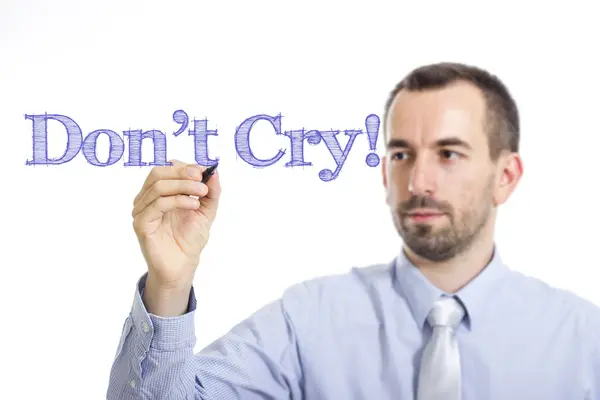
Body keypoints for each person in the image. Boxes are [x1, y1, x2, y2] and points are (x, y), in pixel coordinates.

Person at [107, 62, 600, 400]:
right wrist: (168, 286)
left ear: (506, 176)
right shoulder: (306, 321)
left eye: (449, 154)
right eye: (402, 154)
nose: (419, 181)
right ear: (385, 174)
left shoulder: (584, 341)